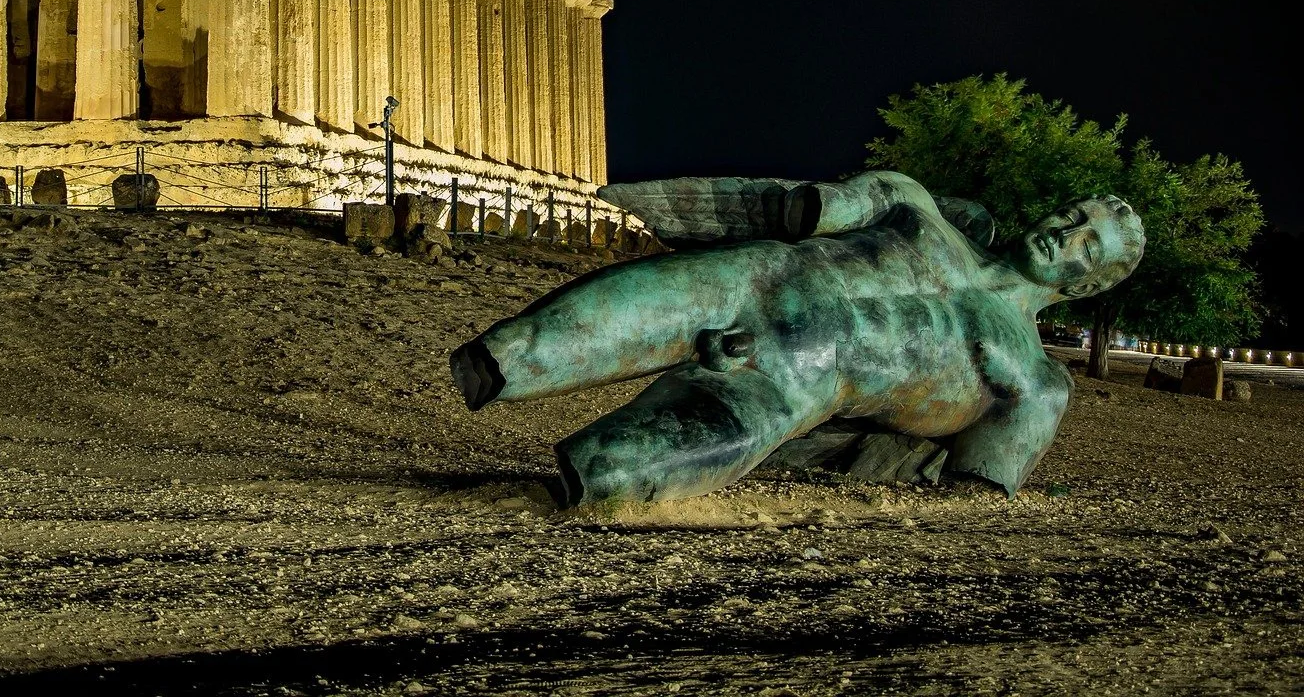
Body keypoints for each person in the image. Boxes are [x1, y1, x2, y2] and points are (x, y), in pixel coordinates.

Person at [450, 171, 1144, 505]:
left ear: (1088, 285)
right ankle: (494, 370)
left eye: (1088, 243)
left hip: (789, 382)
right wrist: (816, 203)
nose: (1065, 231)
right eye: (1071, 212)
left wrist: (850, 458)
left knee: (608, 475)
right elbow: (815, 207)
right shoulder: (920, 205)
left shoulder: (1034, 379)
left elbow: (977, 491)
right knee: (517, 349)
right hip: (748, 281)